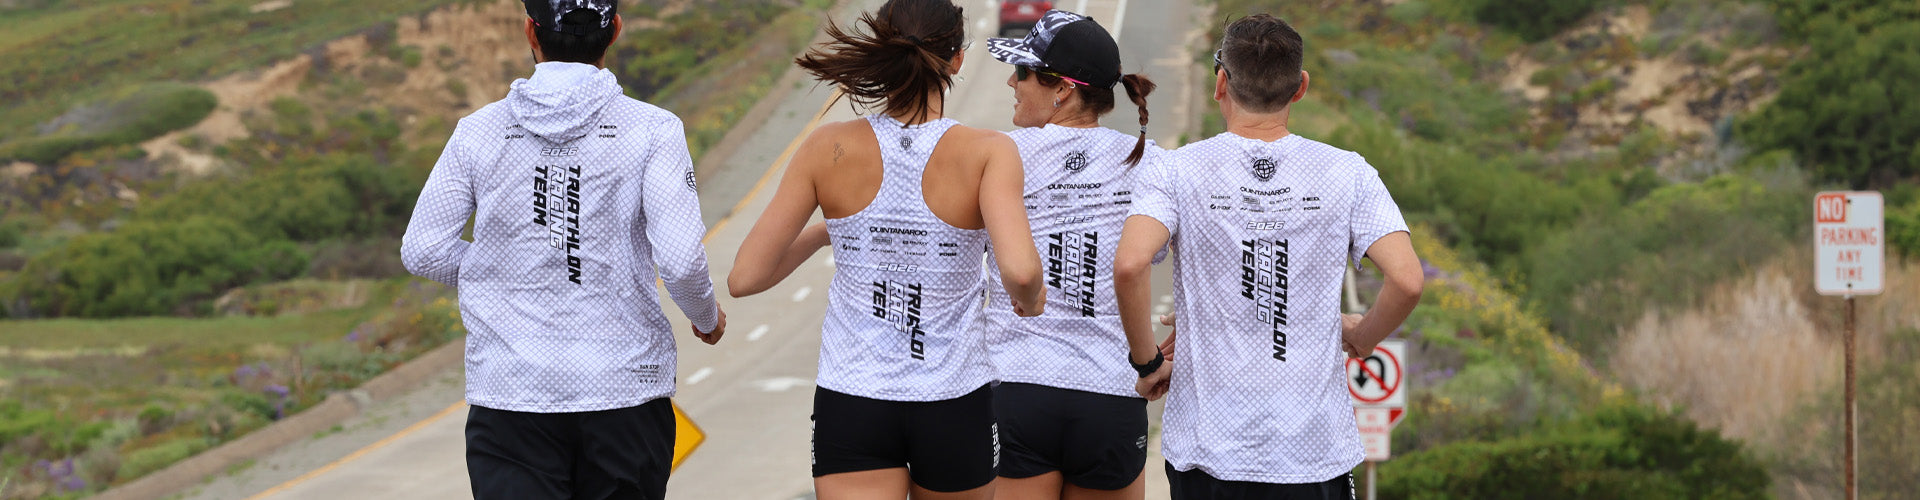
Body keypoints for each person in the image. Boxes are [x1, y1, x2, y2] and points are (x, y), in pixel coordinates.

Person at [399, 0, 726, 497]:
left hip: (510, 394)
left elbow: (424, 249)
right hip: (625, 391)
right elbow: (680, 261)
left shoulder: (478, 131)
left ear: (531, 32)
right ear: (614, 30)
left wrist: (510, 269)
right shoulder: (654, 128)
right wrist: (705, 316)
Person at [726, 0, 1047, 497]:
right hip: (952, 395)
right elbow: (1022, 273)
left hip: (853, 397)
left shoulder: (826, 146)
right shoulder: (988, 151)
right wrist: (1029, 301)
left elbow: (745, 278)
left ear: (881, 51)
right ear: (957, 61)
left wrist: (833, 229)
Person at [1113, 14, 1425, 500]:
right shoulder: (1348, 172)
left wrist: (1148, 363)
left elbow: (1131, 264)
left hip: (1209, 451)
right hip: (1314, 455)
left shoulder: (1176, 169)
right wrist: (1361, 337)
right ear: (1300, 87)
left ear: (1221, 83)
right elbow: (1407, 281)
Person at [978, 10, 1158, 500]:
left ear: (1063, 88)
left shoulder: (996, 153)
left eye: (1022, 71)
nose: (1012, 82)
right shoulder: (1151, 161)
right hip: (1111, 391)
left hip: (1015, 384)